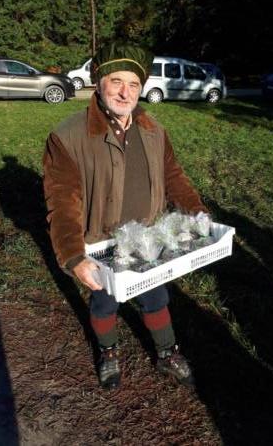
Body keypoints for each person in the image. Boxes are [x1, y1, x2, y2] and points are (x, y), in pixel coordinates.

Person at [43, 41, 208, 390]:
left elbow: (174, 178)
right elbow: (62, 200)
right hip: (102, 245)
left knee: (156, 296)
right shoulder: (68, 137)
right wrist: (74, 256)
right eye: (116, 81)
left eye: (133, 84)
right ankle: (108, 352)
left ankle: (167, 352)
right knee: (104, 303)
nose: (124, 92)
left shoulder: (153, 130)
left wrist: (199, 213)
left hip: (147, 238)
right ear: (99, 83)